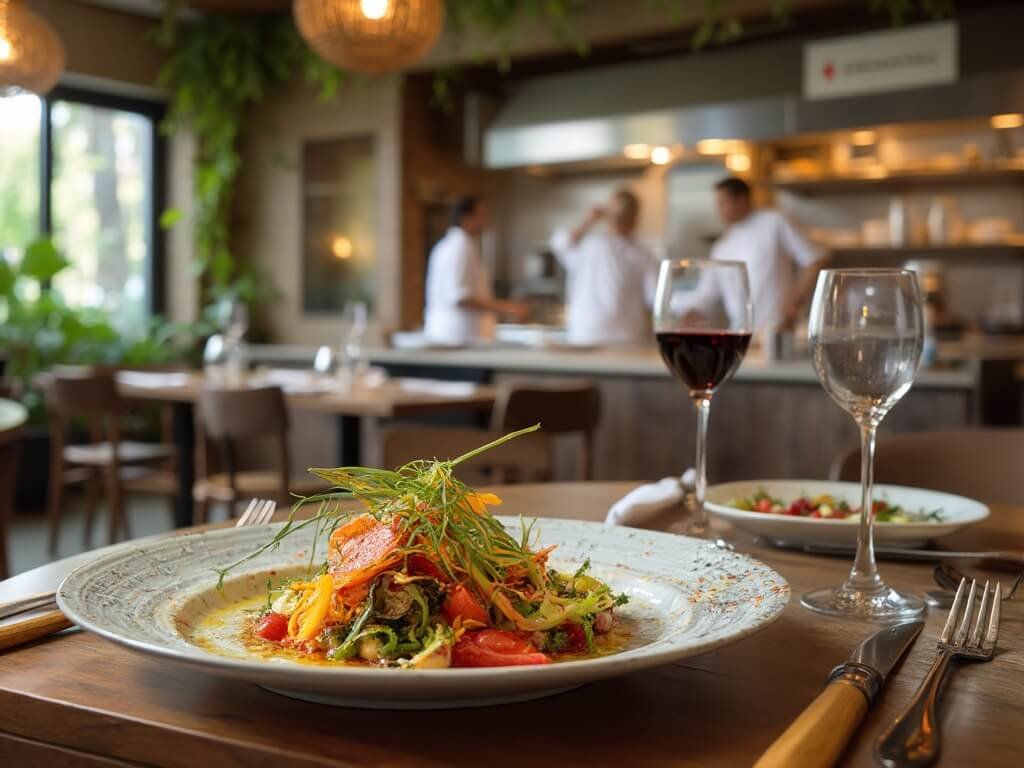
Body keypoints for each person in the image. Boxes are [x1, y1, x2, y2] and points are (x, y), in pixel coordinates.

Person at [705, 177, 826, 332]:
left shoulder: (774, 222)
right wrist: (691, 311)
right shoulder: (722, 245)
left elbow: (815, 259)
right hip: (739, 333)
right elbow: (707, 292)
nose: (718, 210)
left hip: (777, 329)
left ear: (742, 200)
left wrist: (794, 302)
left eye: (723, 203)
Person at [549, 188, 657, 346]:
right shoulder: (642, 255)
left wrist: (589, 220)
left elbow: (559, 243)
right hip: (626, 340)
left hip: (584, 335)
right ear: (635, 218)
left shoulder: (588, 246)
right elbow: (654, 297)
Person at [424, 196, 528, 344]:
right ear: (466, 217)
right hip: (456, 338)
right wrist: (509, 308)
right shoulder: (458, 248)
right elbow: (459, 297)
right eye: (482, 215)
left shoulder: (458, 245)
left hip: (462, 337)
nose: (486, 221)